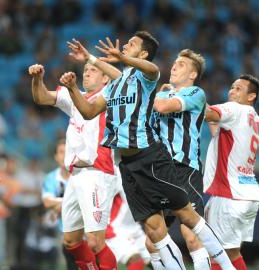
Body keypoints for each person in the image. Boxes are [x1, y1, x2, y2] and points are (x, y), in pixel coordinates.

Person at [64, 31, 234, 269]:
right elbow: (89, 112)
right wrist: (74, 84)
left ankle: (228, 267)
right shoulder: (116, 86)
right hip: (126, 164)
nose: (124, 45)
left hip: (157, 158)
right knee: (154, 233)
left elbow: (152, 74)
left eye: (131, 44)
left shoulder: (163, 83)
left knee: (188, 222)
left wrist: (122, 66)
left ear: (143, 53)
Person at [28, 62, 118, 269]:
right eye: (85, 69)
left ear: (106, 78)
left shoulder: (111, 96)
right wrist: (37, 79)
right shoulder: (75, 95)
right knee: (70, 240)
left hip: (97, 172)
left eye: (93, 70)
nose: (87, 72)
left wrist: (72, 88)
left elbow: (88, 111)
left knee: (95, 241)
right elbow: (41, 97)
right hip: (76, 175)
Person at [149, 48, 210, 269]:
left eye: (182, 64)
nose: (174, 66)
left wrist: (157, 94)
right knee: (153, 242)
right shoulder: (162, 94)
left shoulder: (195, 93)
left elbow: (163, 106)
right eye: (174, 63)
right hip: (159, 171)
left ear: (193, 74)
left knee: (191, 234)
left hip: (185, 169)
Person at [203, 74, 259, 270]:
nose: (232, 91)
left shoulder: (235, 109)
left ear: (251, 96)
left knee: (216, 254)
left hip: (229, 194)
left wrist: (186, 95)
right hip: (248, 194)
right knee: (232, 253)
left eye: (238, 88)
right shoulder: (256, 119)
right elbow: (220, 135)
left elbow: (207, 114)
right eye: (232, 87)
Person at [41, 138, 78, 270]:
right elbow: (47, 201)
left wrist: (59, 205)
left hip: (88, 233)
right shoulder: (51, 178)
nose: (65, 155)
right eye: (61, 152)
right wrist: (68, 202)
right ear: (56, 156)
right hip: (65, 234)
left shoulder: (80, 175)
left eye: (68, 151)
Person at [105, 168, 150, 270]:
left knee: (160, 259)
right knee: (136, 259)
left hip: (135, 227)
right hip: (116, 229)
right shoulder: (115, 172)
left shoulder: (146, 170)